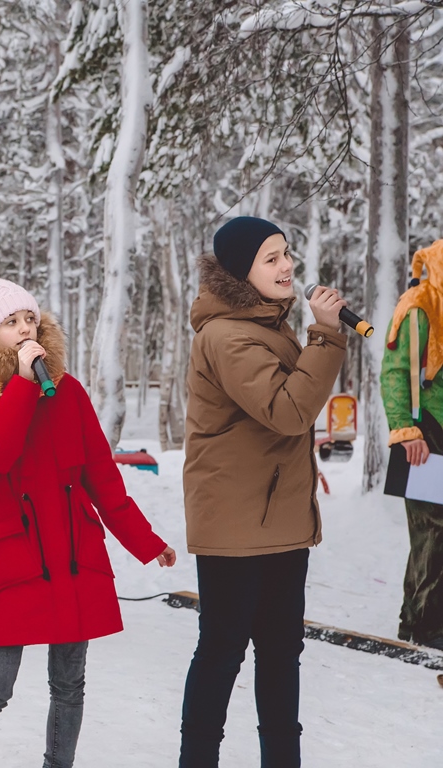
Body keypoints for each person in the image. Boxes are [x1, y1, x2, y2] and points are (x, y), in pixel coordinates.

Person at [0, 278, 176, 768]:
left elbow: (101, 477)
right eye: (11, 322)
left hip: (71, 553)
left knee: (70, 684)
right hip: (12, 556)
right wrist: (22, 387)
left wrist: (145, 540)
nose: (26, 327)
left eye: (29, 316)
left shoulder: (67, 391)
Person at [178, 216, 347, 767]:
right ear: (239, 272)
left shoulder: (268, 327)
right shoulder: (226, 335)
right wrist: (325, 334)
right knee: (223, 652)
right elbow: (289, 410)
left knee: (281, 654)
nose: (287, 266)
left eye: (286, 253)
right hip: (234, 525)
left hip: (278, 521)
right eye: (270, 258)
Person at [381, 239, 443, 651]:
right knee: (433, 530)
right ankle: (426, 627)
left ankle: (415, 620)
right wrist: (406, 430)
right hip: (425, 429)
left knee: (434, 531)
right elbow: (394, 373)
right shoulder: (419, 306)